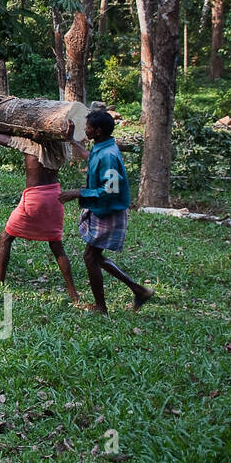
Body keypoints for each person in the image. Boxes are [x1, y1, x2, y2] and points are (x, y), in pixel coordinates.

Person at [0, 96, 82, 303]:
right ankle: (73, 294)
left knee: (5, 238)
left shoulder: (29, 145)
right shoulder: (59, 147)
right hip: (55, 197)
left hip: (35, 199)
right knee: (57, 246)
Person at [60, 109, 154, 314]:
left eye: (88, 128)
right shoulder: (103, 146)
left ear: (98, 131)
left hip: (109, 210)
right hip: (102, 209)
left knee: (90, 257)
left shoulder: (109, 155)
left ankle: (101, 307)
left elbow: (110, 190)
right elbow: (91, 158)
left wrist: (77, 192)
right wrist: (72, 141)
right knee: (94, 257)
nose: (85, 130)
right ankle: (139, 291)